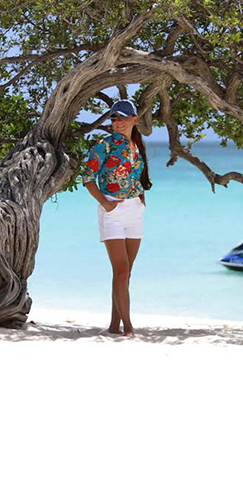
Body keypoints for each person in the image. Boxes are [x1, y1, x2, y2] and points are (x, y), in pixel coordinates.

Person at [82, 99, 152, 337]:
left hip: (135, 212)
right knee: (121, 271)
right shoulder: (105, 145)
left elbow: (137, 176)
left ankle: (114, 326)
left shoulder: (136, 146)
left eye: (122, 118)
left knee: (126, 273)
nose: (118, 122)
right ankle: (129, 329)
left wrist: (141, 198)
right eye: (114, 118)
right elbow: (88, 177)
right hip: (112, 211)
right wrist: (105, 203)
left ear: (134, 120)